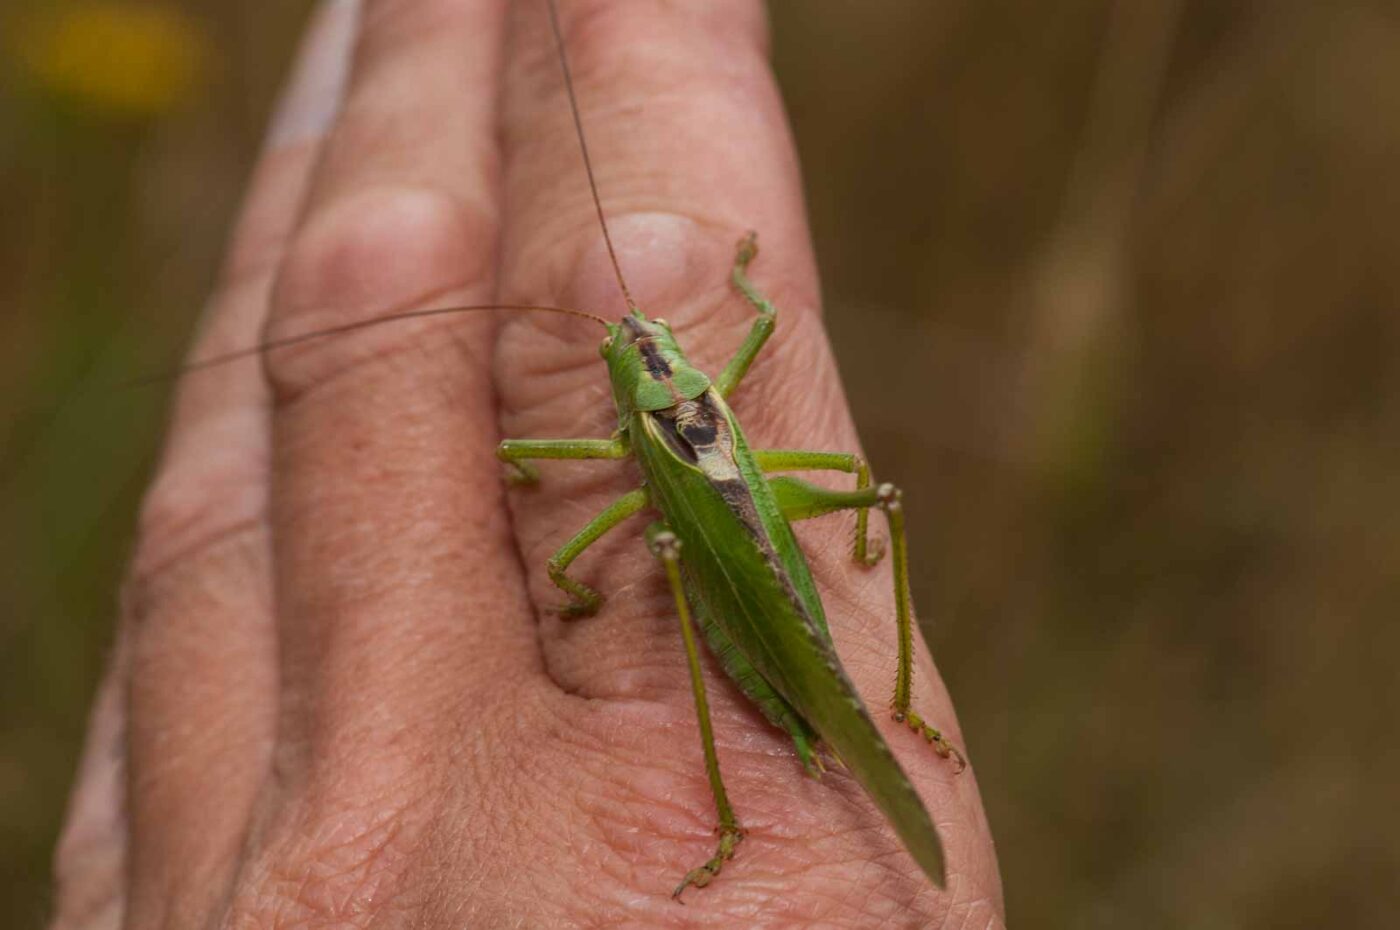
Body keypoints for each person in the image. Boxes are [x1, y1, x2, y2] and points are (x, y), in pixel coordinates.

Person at [50, 1, 1003, 926]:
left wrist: (561, 553)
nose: (644, 343)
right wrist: (741, 274)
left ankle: (741, 811)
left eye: (645, 344)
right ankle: (868, 725)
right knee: (858, 497)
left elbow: (549, 531)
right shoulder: (709, 379)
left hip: (727, 563)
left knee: (726, 533)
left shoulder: (628, 421)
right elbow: (754, 317)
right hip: (732, 565)